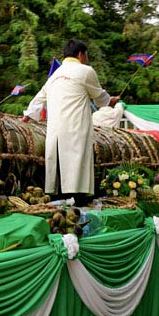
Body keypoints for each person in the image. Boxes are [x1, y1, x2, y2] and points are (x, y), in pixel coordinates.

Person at [22, 39, 118, 205]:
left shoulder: (54, 76)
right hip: (76, 128)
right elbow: (101, 98)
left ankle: (59, 202)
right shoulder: (85, 71)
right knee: (76, 165)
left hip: (55, 130)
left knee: (58, 166)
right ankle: (78, 203)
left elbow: (38, 99)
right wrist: (111, 101)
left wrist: (28, 115)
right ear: (80, 54)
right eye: (86, 55)